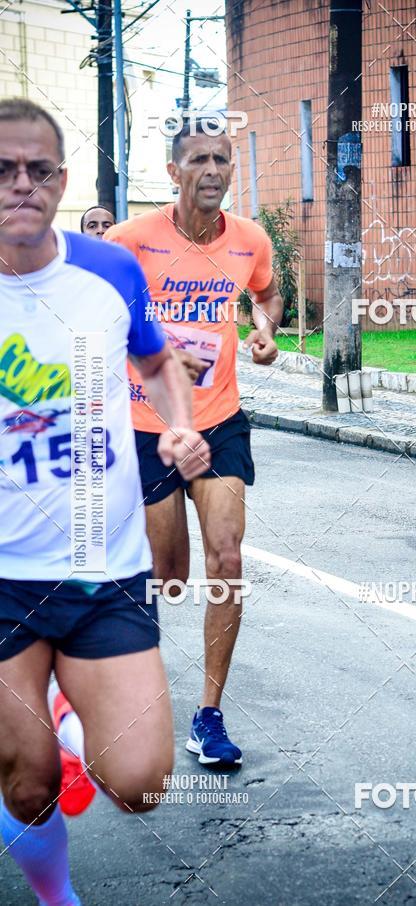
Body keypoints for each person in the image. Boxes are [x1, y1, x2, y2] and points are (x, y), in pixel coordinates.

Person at [0, 97, 211, 904]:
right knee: (27, 788)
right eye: (2, 169)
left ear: (61, 178)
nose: (22, 183)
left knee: (140, 784)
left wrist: (179, 427)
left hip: (104, 566)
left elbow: (157, 364)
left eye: (39, 169)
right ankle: (58, 898)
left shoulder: (109, 270)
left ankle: (67, 703)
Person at [105, 117, 283, 768]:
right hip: (148, 426)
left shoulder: (250, 240)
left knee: (229, 558)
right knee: (170, 577)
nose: (213, 170)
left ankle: (208, 717)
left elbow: (268, 295)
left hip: (220, 420)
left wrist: (266, 332)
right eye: (199, 159)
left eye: (223, 159)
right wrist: (153, 353)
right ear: (174, 172)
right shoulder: (129, 242)